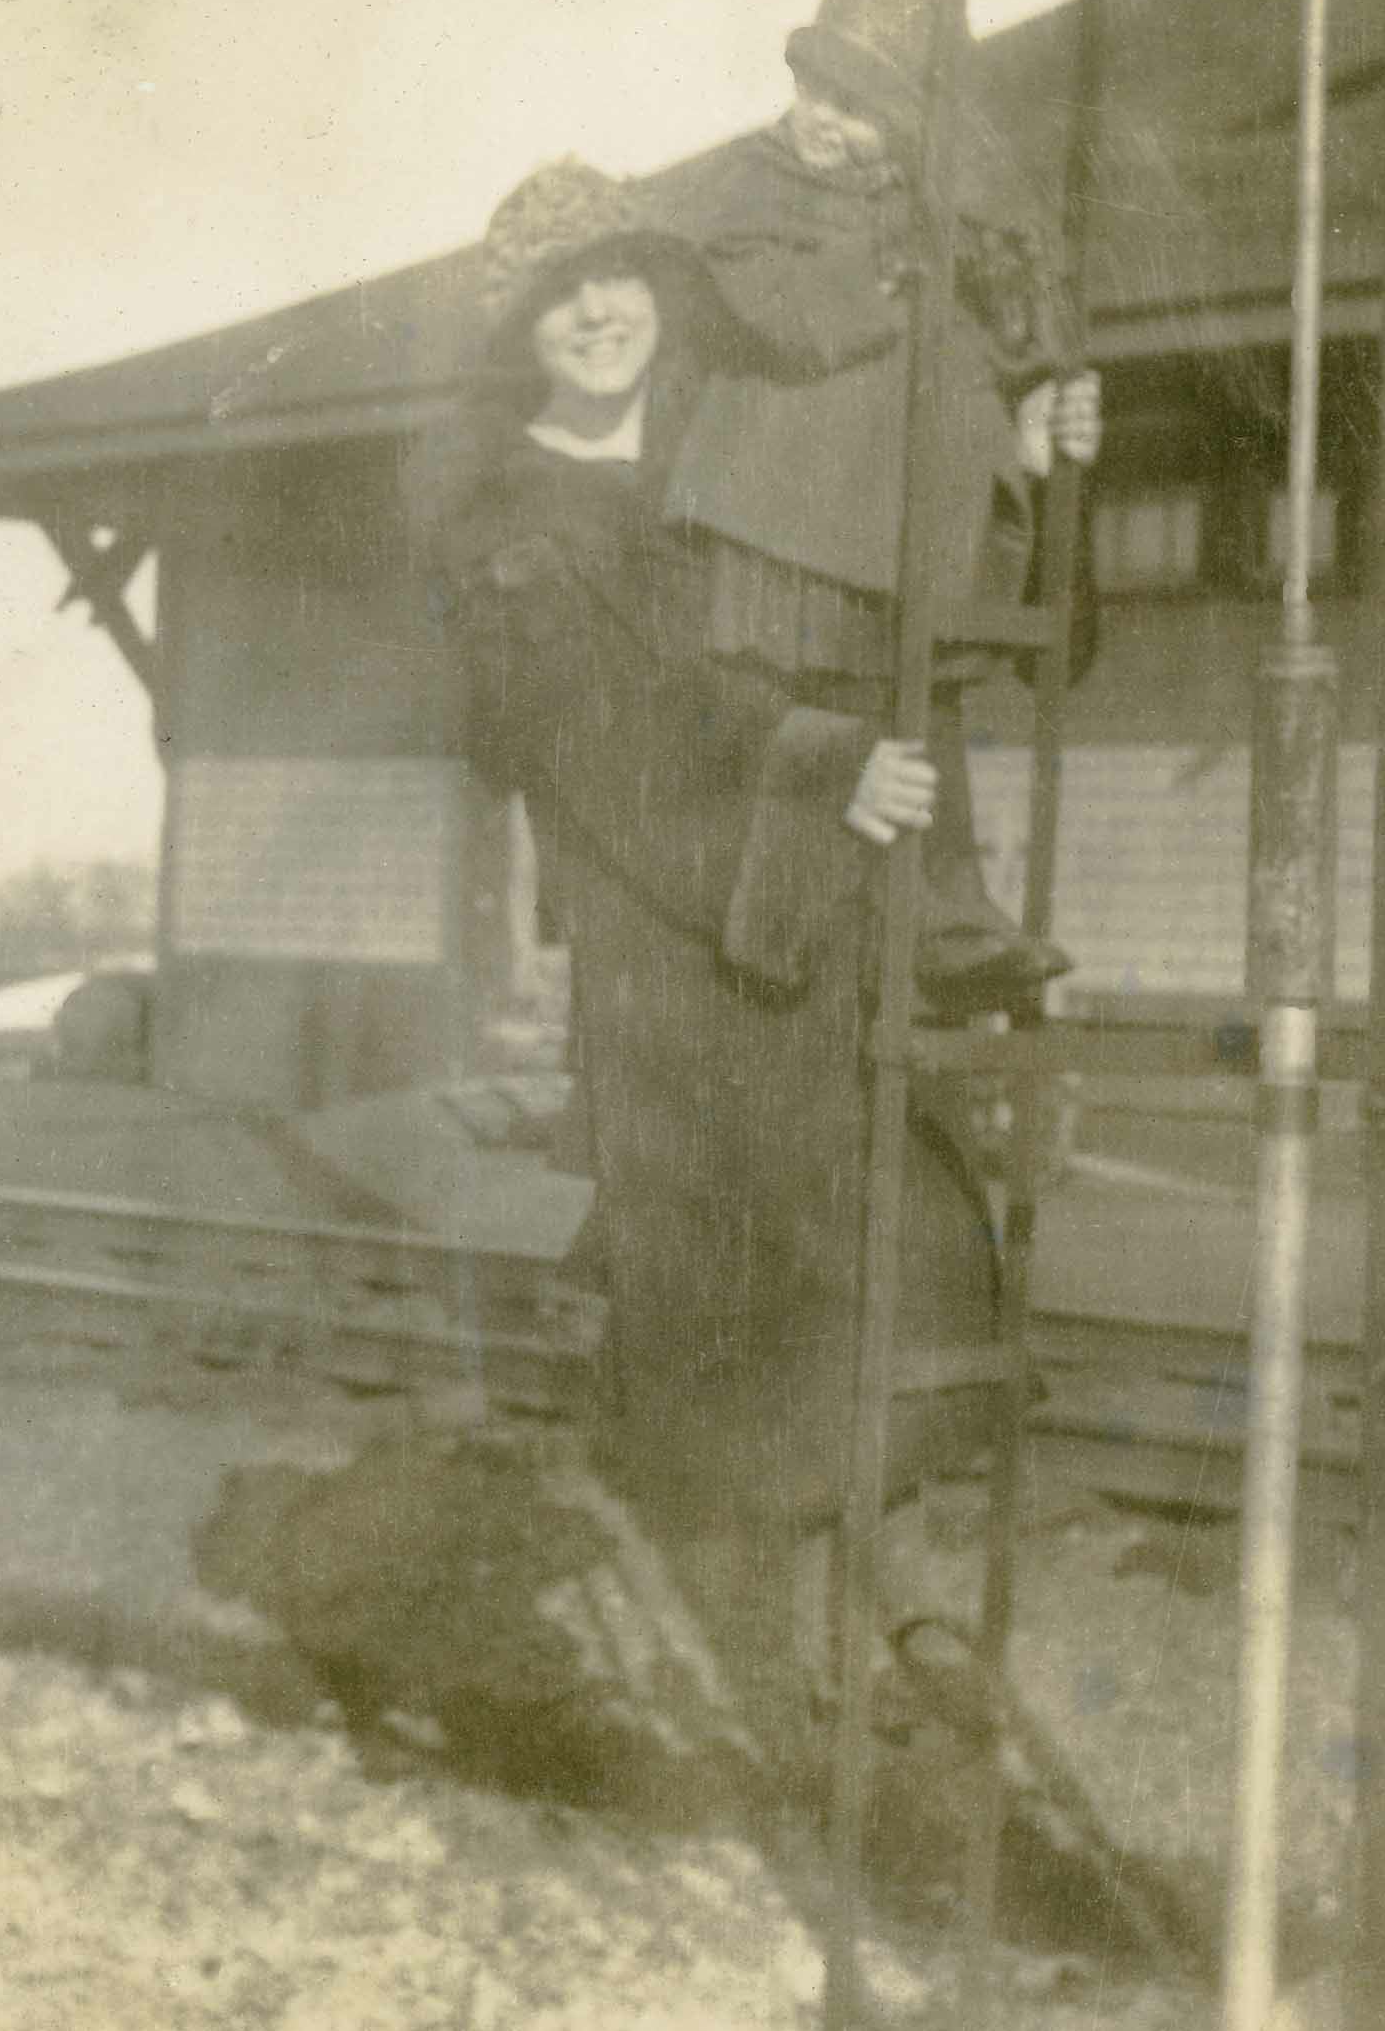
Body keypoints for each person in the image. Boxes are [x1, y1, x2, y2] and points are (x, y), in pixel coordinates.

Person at [419, 160, 1007, 1805]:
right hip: (673, 937)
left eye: (619, 274)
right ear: (520, 332)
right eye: (561, 291)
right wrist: (821, 759)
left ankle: (871, 1629)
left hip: (814, 901)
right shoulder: (506, 526)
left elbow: (897, 585)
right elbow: (593, 740)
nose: (599, 310)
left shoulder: (729, 452)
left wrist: (1023, 450)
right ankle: (780, 1700)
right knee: (741, 1296)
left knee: (882, 1245)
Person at [656, 0, 1105, 1020]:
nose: (830, 123)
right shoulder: (751, 188)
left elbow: (988, 346)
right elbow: (780, 315)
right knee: (804, 720)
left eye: (864, 109)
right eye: (821, 91)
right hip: (781, 515)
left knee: (920, 715)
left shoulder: (932, 221)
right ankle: (770, 933)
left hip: (890, 534)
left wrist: (1029, 412)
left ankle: (944, 916)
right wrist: (897, 262)